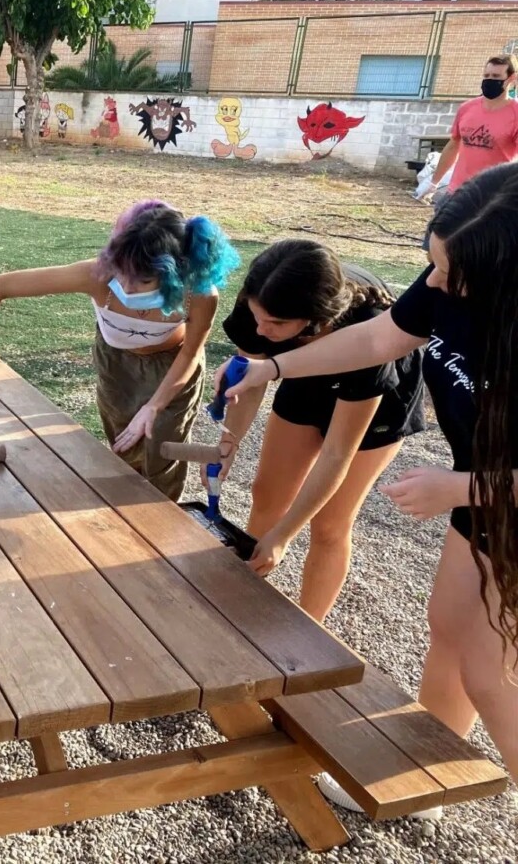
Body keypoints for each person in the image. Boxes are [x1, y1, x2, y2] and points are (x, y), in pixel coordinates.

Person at [222, 162, 518, 808]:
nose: (434, 282)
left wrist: (457, 487)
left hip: (493, 494)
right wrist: (273, 366)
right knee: (446, 623)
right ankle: (425, 769)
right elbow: (380, 336)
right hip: (482, 496)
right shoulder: (450, 281)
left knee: (489, 676)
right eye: (431, 263)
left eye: (450, 273)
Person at [0, 199, 240, 500]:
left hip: (173, 366)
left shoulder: (199, 294)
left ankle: (163, 516)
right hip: (117, 365)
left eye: (144, 279)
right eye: (122, 271)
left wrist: (154, 405)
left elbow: (190, 352)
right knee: (125, 446)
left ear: (176, 271)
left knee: (163, 450)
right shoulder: (97, 276)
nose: (127, 285)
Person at [216, 240, 425, 621]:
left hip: (377, 397)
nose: (261, 329)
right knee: (267, 495)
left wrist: (283, 536)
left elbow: (336, 453)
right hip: (302, 370)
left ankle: (313, 634)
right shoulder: (263, 302)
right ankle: (243, 613)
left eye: (276, 323)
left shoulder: (369, 332)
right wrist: (229, 440)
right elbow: (251, 381)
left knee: (329, 522)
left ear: (314, 319)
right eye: (257, 315)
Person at [422, 53, 518, 247]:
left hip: (491, 198)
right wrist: (433, 183)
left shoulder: (515, 114)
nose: (489, 81)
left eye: (496, 77)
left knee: (476, 254)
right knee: (433, 248)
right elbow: (453, 145)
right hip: (456, 191)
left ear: (511, 79)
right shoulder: (467, 108)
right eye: (487, 76)